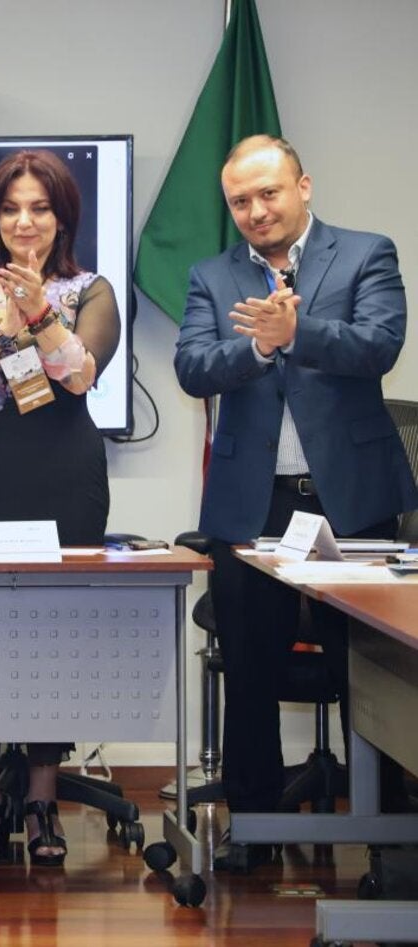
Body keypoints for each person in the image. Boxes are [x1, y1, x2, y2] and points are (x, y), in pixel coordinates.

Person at [175, 134, 417, 872]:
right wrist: (255, 349)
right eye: (241, 201)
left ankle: (392, 834)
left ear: (303, 187)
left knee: (371, 669)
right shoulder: (211, 276)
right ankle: (254, 829)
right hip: (255, 508)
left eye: (268, 193)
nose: (256, 210)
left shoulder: (366, 252)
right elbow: (191, 366)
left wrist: (297, 332)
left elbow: (380, 344)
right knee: (252, 668)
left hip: (352, 502)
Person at [0, 149, 120, 868]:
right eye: (11, 208)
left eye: (39, 207)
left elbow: (79, 377)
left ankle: (41, 797)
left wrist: (41, 309)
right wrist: (3, 329)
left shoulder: (92, 289)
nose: (24, 221)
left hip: (64, 475)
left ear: (62, 214)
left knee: (52, 637)